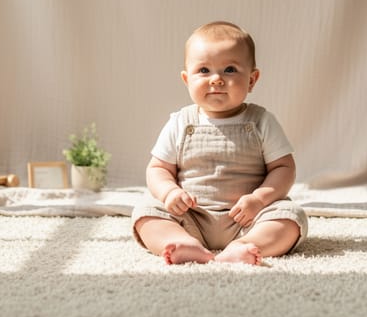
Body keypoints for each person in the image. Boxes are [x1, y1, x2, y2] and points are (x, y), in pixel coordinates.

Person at [131, 21, 308, 265]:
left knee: (291, 217)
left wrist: (259, 200)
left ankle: (246, 246)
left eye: (230, 70)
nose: (216, 79)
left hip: (248, 218)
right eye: (204, 70)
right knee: (146, 212)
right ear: (186, 79)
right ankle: (182, 242)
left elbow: (284, 168)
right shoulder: (180, 122)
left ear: (252, 79)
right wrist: (170, 192)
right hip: (190, 216)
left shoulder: (262, 121)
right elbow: (158, 168)